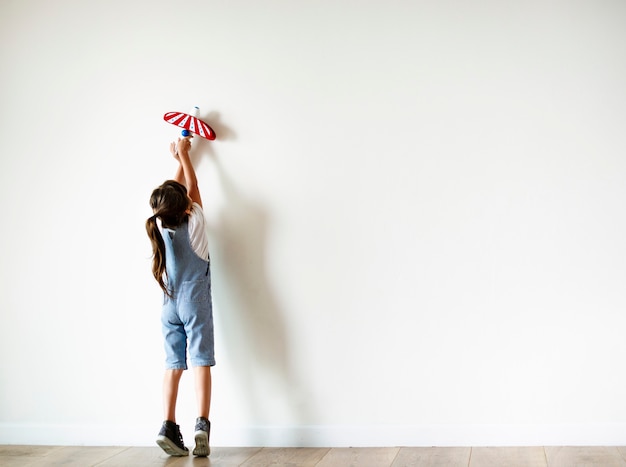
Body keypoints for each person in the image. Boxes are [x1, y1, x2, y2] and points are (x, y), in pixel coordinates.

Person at [145, 137, 214, 457]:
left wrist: (179, 155)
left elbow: (171, 195)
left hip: (168, 304)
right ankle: (202, 424)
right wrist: (186, 156)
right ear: (186, 206)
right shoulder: (196, 223)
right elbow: (191, 184)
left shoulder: (159, 223)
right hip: (194, 303)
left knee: (173, 364)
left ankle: (167, 425)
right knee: (201, 361)